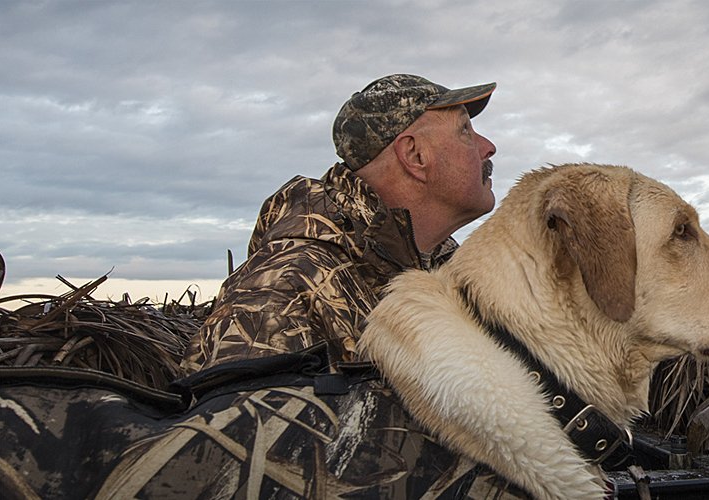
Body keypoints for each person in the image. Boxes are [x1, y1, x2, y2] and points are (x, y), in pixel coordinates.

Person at [183, 74, 498, 373]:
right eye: (465, 131)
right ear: (414, 155)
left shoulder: (451, 273)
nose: (488, 147)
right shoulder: (286, 289)